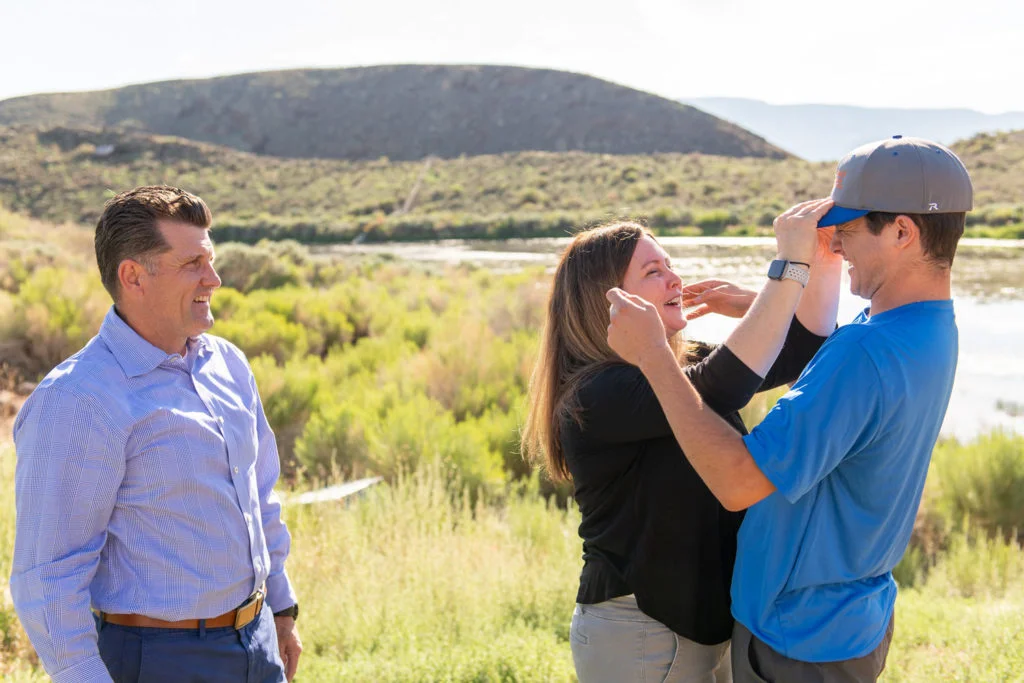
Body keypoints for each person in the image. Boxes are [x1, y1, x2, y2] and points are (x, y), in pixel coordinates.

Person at [606, 136, 973, 682]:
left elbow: (737, 481)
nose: (838, 245)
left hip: (798, 637)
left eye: (847, 230)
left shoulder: (865, 351)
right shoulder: (928, 329)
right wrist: (761, 306)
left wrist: (655, 357)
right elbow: (848, 394)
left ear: (902, 231)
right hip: (852, 620)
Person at [522, 202, 842, 681]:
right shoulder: (599, 394)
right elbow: (726, 382)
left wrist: (823, 259)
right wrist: (788, 268)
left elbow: (802, 350)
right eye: (654, 271)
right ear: (608, 303)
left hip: (698, 630)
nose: (674, 279)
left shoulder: (673, 368)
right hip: (643, 634)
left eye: (670, 265)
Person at [11, 186, 302, 683]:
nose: (214, 278)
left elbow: (258, 495)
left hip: (256, 642)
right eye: (192, 263)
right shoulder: (78, 400)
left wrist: (280, 608)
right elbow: (49, 579)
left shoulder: (227, 363)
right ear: (133, 276)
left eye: (210, 259)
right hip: (156, 660)